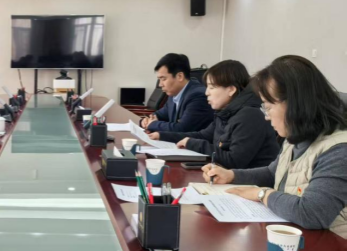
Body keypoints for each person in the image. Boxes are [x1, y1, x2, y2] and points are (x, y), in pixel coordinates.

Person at [204, 56, 347, 237]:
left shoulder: (339, 150)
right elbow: (273, 173)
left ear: (295, 104)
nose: (266, 116)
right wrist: (231, 175)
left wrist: (262, 194)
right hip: (296, 236)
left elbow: (311, 213)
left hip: (332, 246)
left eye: (268, 106)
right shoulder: (295, 137)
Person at [149, 60, 280, 169]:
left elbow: (234, 160)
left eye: (212, 87)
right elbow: (203, 135)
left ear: (231, 90)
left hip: (250, 185)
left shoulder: (249, 116)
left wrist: (193, 143)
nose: (206, 92)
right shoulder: (226, 112)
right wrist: (162, 135)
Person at [140, 53, 214, 133]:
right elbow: (160, 114)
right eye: (159, 79)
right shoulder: (174, 93)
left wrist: (152, 124)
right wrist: (146, 120)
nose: (160, 84)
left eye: (163, 79)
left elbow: (182, 129)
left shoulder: (198, 96)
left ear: (180, 76)